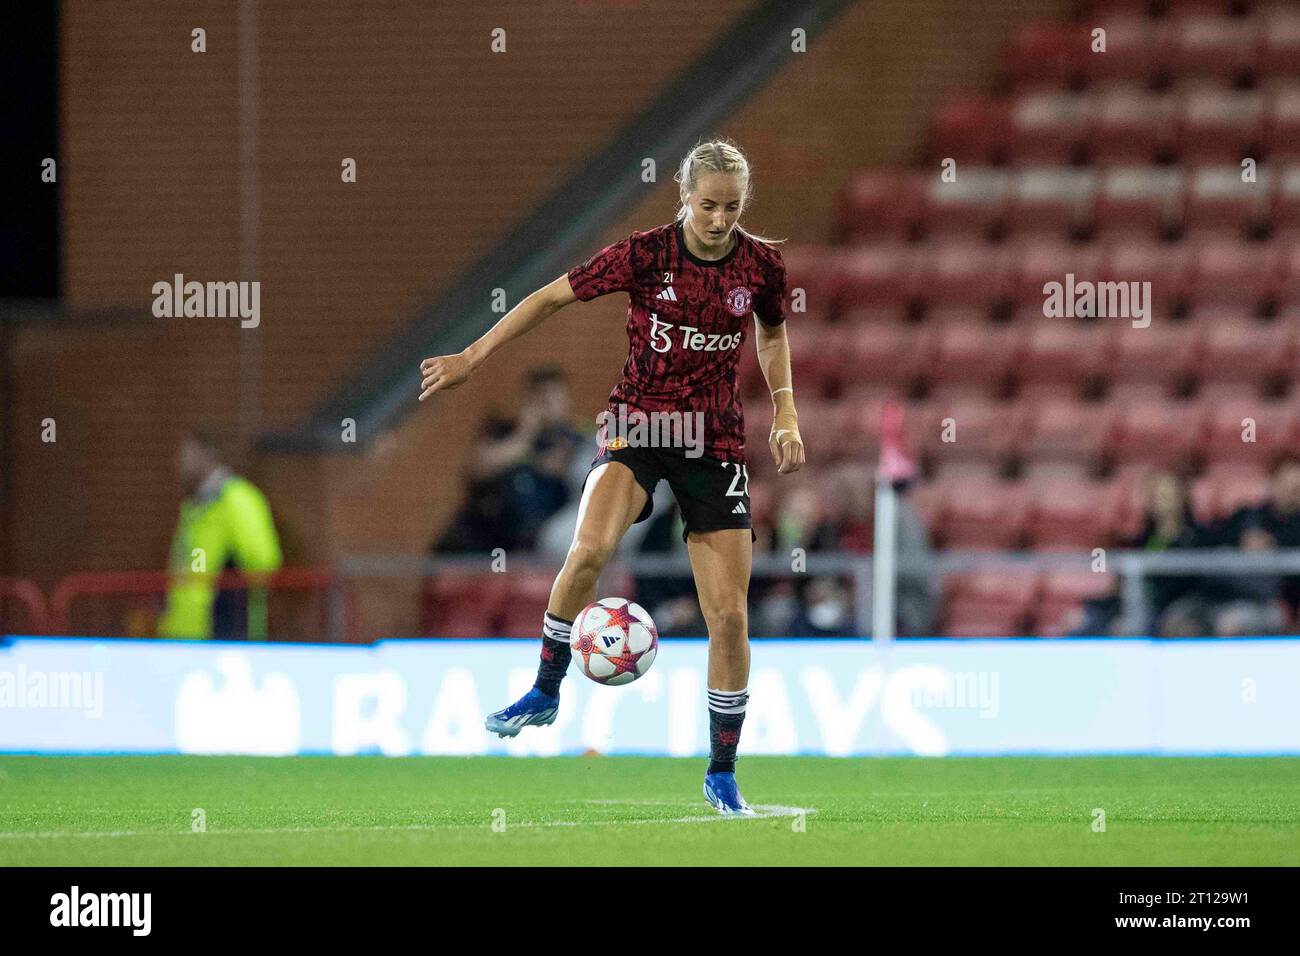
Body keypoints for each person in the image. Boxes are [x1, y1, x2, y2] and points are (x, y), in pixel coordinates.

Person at [419, 138, 804, 814]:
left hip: (713, 444)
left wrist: (786, 413)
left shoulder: (761, 266)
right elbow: (549, 299)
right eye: (708, 205)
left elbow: (771, 334)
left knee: (731, 618)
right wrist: (473, 357)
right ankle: (545, 686)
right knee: (591, 548)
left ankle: (721, 771)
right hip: (638, 428)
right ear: (684, 198)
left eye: (732, 207)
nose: (719, 219)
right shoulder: (644, 255)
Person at [157, 429, 283, 640]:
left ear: (206, 454)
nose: (180, 464)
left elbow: (263, 562)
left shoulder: (237, 500)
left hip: (225, 636)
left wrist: (230, 574)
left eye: (187, 454)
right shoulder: (194, 508)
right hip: (185, 637)